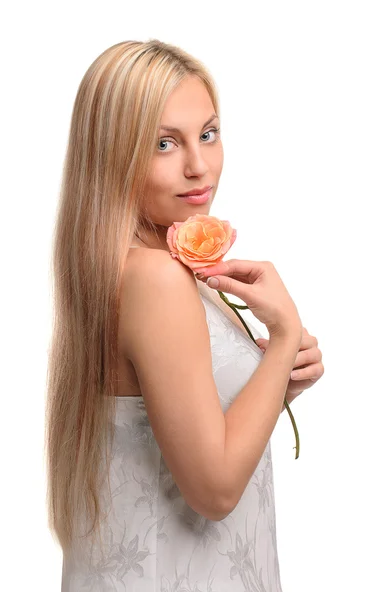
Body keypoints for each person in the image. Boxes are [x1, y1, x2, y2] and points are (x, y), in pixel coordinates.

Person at [45, 38, 324, 591]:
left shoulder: (125, 267)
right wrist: (285, 333)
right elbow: (214, 491)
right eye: (164, 143)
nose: (200, 166)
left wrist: (271, 381)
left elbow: (166, 424)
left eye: (209, 134)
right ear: (112, 154)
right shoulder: (155, 277)